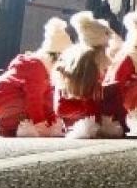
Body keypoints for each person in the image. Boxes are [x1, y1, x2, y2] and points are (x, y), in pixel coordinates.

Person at [0, 17, 70, 137]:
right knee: (32, 105)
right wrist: (40, 124)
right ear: (55, 57)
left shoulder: (46, 70)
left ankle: (7, 125)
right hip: (1, 100)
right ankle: (6, 124)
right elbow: (34, 99)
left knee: (45, 101)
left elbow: (47, 100)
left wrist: (53, 122)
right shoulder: (36, 67)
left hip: (10, 100)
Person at [52, 10, 123, 139]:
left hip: (70, 106)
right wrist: (96, 120)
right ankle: (93, 124)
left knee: (112, 88)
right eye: (105, 46)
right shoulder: (89, 61)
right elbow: (87, 97)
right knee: (115, 89)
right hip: (75, 107)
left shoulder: (78, 55)